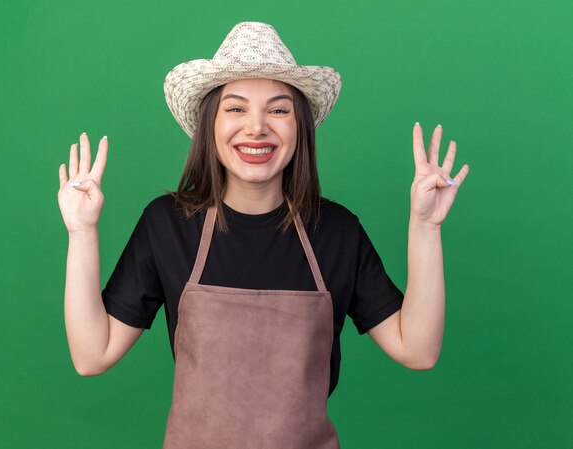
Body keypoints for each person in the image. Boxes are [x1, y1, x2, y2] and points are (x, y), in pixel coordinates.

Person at [57, 22, 469, 448]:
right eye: (235, 108)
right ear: (210, 124)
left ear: (299, 127)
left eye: (278, 109)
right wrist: (82, 231)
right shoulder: (168, 225)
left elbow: (418, 350)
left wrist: (426, 227)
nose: (256, 128)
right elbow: (92, 355)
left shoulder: (337, 232)